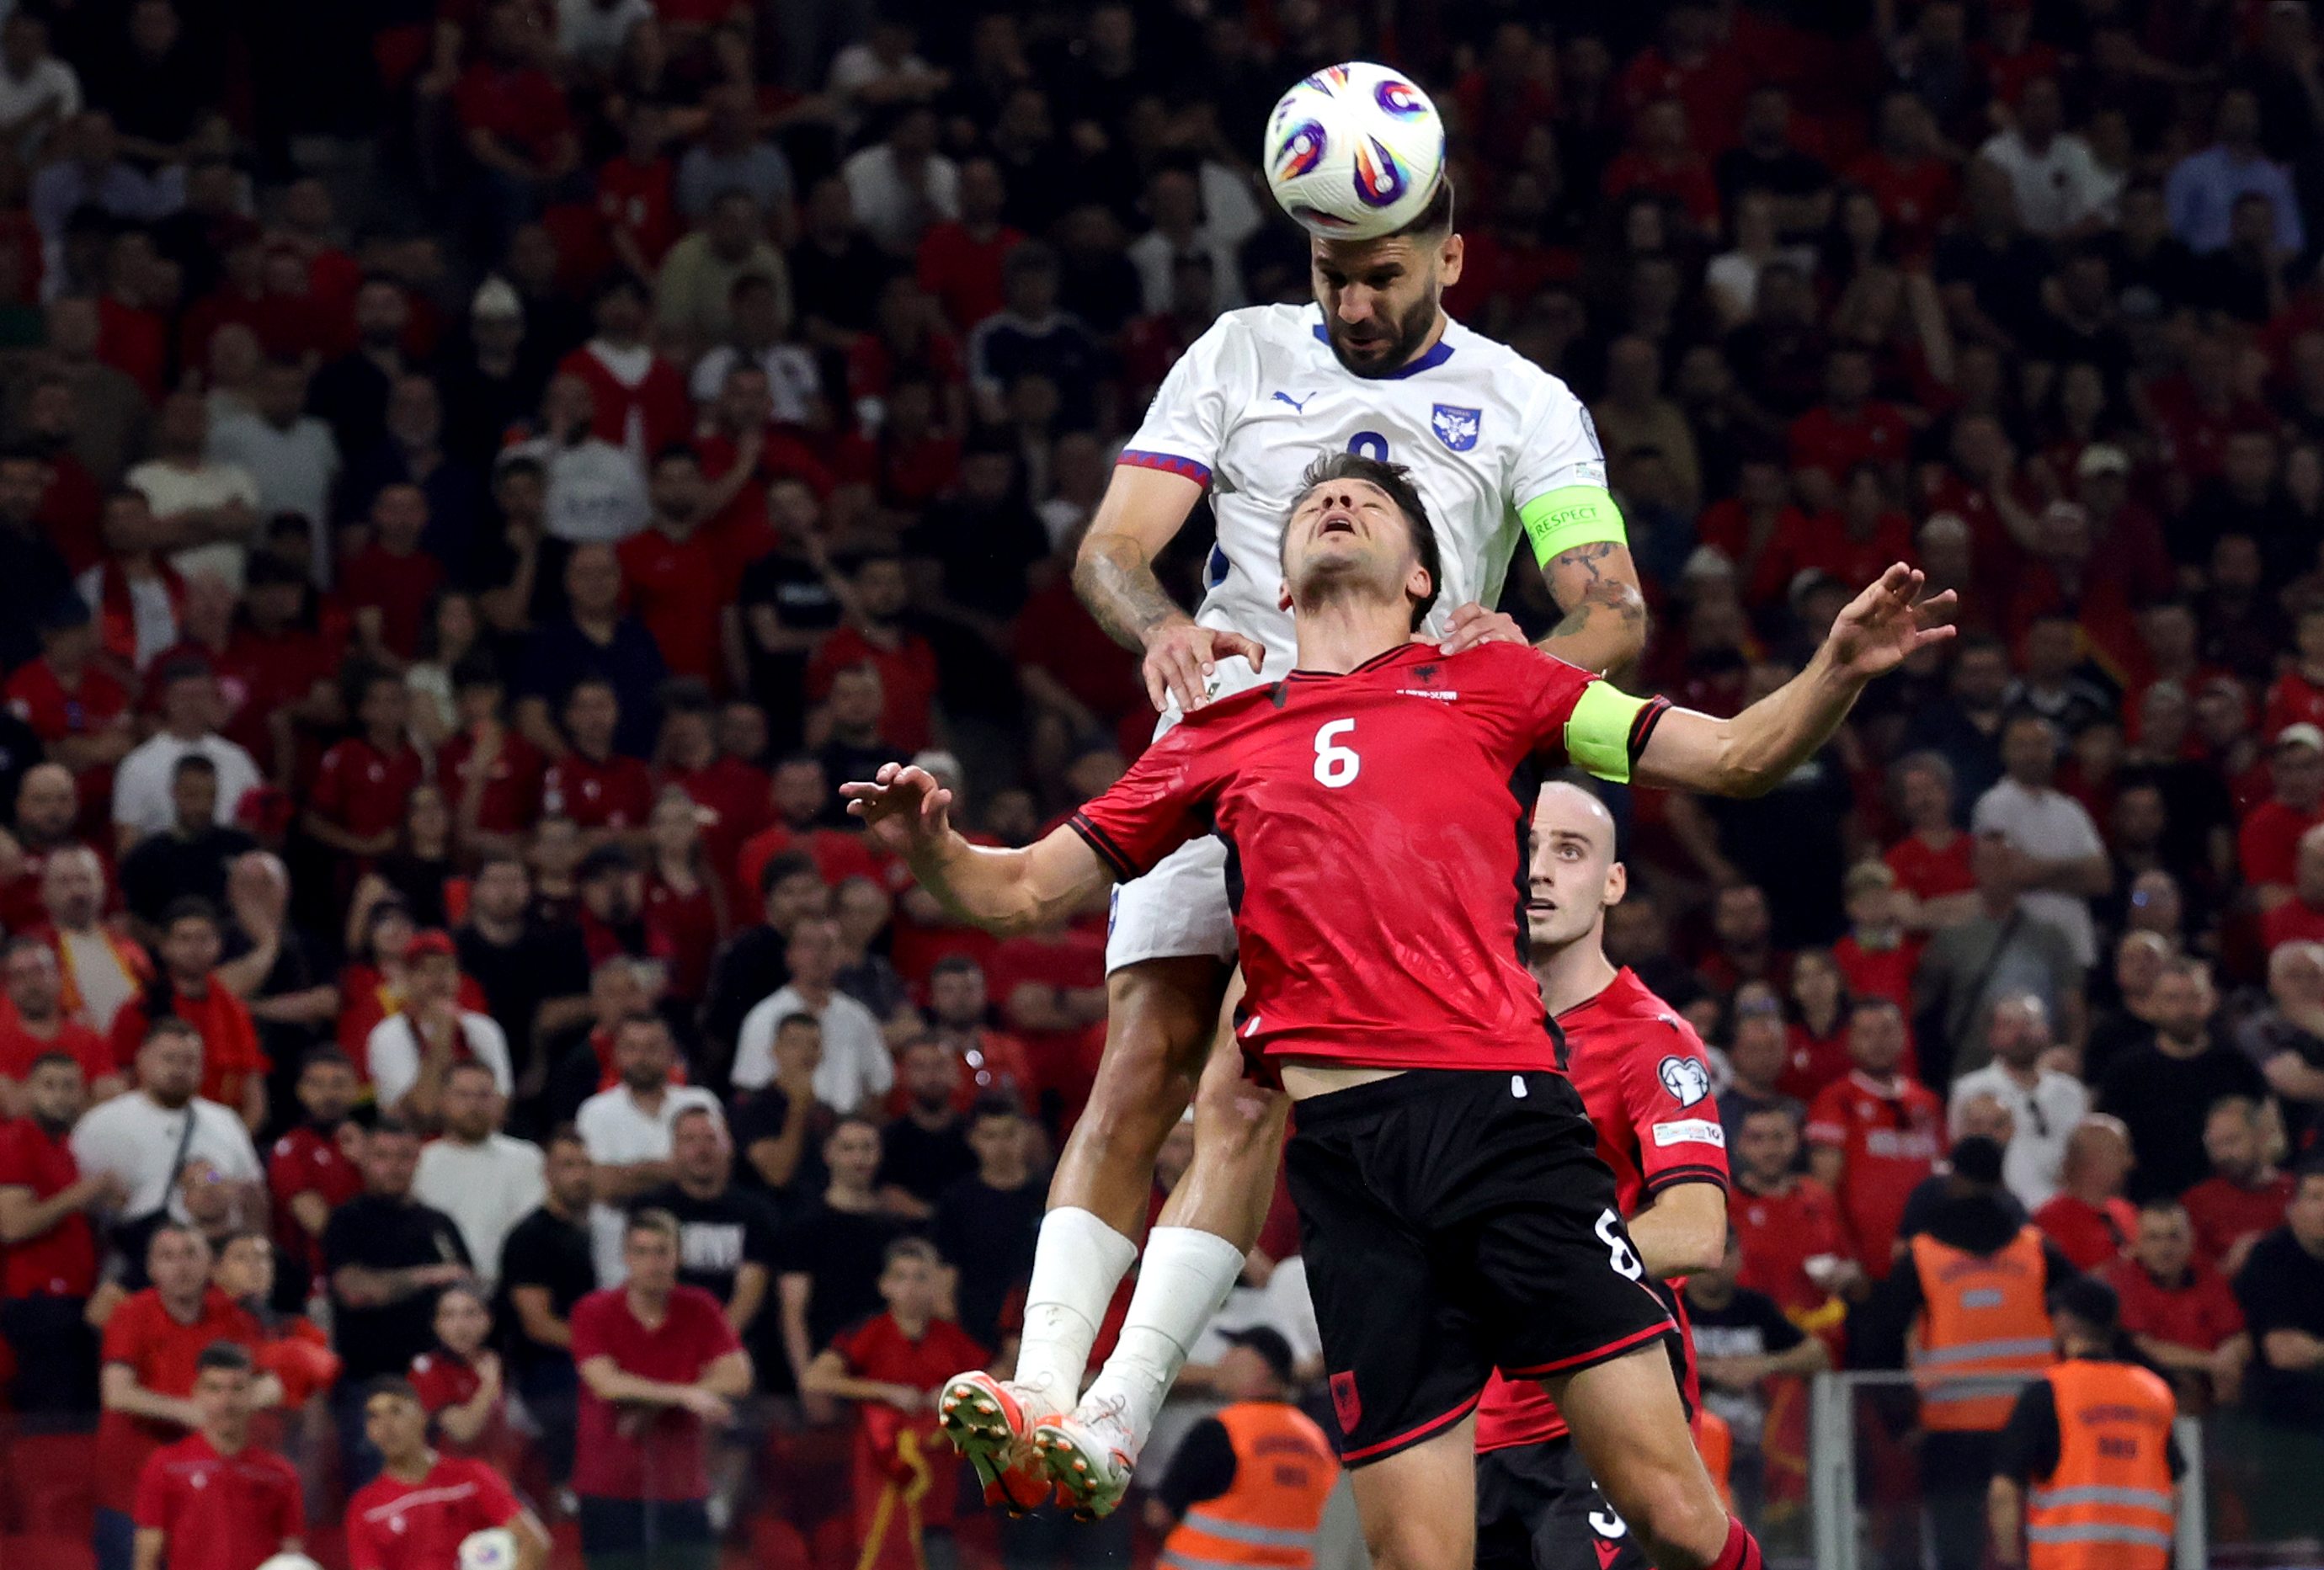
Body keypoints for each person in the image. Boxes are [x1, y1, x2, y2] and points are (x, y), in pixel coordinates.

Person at [855, 451, 1948, 1555]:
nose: (1337, 501)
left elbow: (1738, 757)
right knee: (1417, 1556)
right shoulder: (1218, 732)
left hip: (1506, 1133)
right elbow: (1023, 887)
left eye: (1370, 502)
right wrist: (932, 849)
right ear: (1278, 585)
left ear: (1424, 577)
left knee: (1673, 1517)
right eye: (1317, 502)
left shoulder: (1505, 685)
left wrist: (1839, 669)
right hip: (1348, 1173)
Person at [948, 171, 1655, 1505]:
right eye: (1332, 271)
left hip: (1388, 793)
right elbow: (1112, 549)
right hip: (1227, 738)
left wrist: (1527, 657)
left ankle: (1117, 1415)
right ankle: (1039, 1389)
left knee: (1243, 1090)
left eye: (1383, 274)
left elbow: (1610, 605)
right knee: (1137, 1062)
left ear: (1453, 255)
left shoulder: (1525, 403)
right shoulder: (1238, 351)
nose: (1352, 300)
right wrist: (1155, 622)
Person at [1474, 782, 1733, 1570]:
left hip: (1604, 1421)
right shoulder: (1466, 1036)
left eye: (1570, 851)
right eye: (1526, 849)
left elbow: (1695, 1229)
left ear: (1613, 883)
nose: (1541, 872)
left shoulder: (1649, 1038)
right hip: (1476, 1424)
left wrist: (1535, 1268)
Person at [1871, 1139, 2081, 1570]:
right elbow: (2089, 1315)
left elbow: (1877, 1342)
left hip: (1952, 1429)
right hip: (2035, 1421)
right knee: (2036, 1547)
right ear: (2002, 1181)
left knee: (1957, 1553)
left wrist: (1900, 1422)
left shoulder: (1923, 1255)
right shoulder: (2037, 1249)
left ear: (1954, 1180)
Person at [572, 1208, 754, 1570]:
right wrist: (685, 1395)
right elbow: (605, 1383)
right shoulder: (593, 1311)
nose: (652, 1263)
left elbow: (738, 1376)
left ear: (679, 1256)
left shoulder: (699, 1307)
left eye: (662, 1252)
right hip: (609, 1482)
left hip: (681, 1484)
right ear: (625, 1257)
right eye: (641, 1252)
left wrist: (652, 1403)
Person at [802, 1237, 992, 1570]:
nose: (911, 1287)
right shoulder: (869, 1332)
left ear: (936, 1285)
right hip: (883, 1471)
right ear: (885, 1285)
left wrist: (953, 1392)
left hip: (938, 1481)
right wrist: (885, 1391)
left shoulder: (951, 1338)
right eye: (901, 1277)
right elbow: (815, 1378)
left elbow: (992, 1384)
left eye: (921, 1277)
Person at [94, 1224, 269, 1570]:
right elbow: (116, 1393)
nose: (181, 1267)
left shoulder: (235, 1320)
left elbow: (270, 1384)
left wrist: (231, 1405)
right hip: (131, 1493)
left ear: (210, 1266)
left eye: (191, 1254)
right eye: (167, 1256)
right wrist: (190, 1412)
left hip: (208, 1493)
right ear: (151, 1269)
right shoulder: (132, 1314)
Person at [1987, 1277, 2183, 1570]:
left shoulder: (2048, 1392)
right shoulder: (2155, 1393)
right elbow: (2175, 1490)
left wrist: (2008, 1559)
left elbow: (2004, 1491)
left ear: (2065, 1321)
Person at [323, 1120, 474, 1477]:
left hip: (440, 1385)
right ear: (363, 1159)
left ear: (418, 1159)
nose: (393, 1166)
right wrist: (428, 1275)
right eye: (382, 1156)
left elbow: (465, 1288)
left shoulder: (439, 1224)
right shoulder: (348, 1220)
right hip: (372, 1384)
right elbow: (355, 1290)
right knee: (378, 1494)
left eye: (404, 1156)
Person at [1142, 1323, 1339, 1569]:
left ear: (1261, 1370)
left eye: (1234, 1352)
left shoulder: (1222, 1431)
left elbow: (1158, 1514)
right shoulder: (1316, 1440)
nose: (1223, 1361)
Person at [72, 1018, 263, 1262]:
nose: (179, 1069)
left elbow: (251, 1193)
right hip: (137, 1258)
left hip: (217, 1257)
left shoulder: (225, 1122)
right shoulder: (100, 1125)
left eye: (189, 1061)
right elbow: (79, 1201)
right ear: (142, 1060)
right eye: (169, 1059)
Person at [1679, 1233, 1830, 1527]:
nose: (1711, 1264)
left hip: (1747, 1449)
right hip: (1688, 1448)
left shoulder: (1755, 1307)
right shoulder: (1670, 1306)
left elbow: (1818, 1355)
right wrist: (1709, 1370)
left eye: (1722, 1253)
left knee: (1747, 1535)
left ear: (1738, 1259)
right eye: (1703, 1253)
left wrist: (1764, 1364)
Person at [0, 1051, 120, 1413]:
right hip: (38, 1302)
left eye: (69, 1087)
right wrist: (82, 1193)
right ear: (27, 1090)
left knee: (80, 1419)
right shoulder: (14, 1141)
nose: (59, 1095)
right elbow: (11, 1225)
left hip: (78, 1299)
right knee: (53, 1423)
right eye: (48, 1085)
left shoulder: (72, 1146)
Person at [573, 1011, 723, 1283]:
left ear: (670, 1052)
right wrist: (679, 1169)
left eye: (652, 1047)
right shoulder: (595, 1111)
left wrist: (631, 1174)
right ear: (617, 1053)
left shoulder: (701, 1102)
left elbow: (719, 1170)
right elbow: (603, 1185)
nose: (641, 1057)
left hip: (693, 1257)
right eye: (632, 1047)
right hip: (618, 1263)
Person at [2097, 960, 2264, 1202]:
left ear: (2212, 1000)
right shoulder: (2125, 1073)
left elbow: (2265, 1138)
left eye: (2194, 997)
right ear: (2153, 1004)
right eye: (2172, 998)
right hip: (2149, 1206)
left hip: (2226, 1204)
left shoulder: (2237, 1066)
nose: (2184, 1009)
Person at [345, 1376, 551, 1570]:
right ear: (368, 1432)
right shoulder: (365, 1508)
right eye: (374, 1417)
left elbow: (534, 1542)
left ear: (422, 1417)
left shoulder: (472, 1477)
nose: (386, 1427)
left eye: (396, 1411)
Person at [130, 1343, 303, 1570]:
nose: (225, 1402)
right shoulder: (166, 1465)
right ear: (197, 1393)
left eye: (237, 1389)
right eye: (214, 1389)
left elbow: (292, 1557)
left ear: (251, 1394)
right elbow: (147, 1553)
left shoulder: (279, 1474)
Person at [1806, 997, 1947, 1279]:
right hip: (1864, 1265)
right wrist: (1840, 1255)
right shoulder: (1837, 1099)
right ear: (1850, 1041)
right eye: (1867, 1033)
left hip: (1929, 1260)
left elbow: (1942, 1176)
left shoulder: (1927, 1102)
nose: (1878, 1042)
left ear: (1904, 1035)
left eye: (1887, 1031)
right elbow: (1823, 1189)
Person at [497, 1126, 596, 1485]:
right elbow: (538, 1323)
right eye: (568, 1165)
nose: (580, 1175)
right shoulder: (531, 1237)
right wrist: (602, 1350)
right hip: (546, 1373)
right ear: (547, 1173)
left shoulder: (595, 1230)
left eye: (586, 1165)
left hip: (585, 1365)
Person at [634, 1103, 781, 1343]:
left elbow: (749, 1293)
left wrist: (710, 1346)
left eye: (711, 1139)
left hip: (734, 1346)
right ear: (674, 1149)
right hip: (664, 1339)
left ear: (729, 1147)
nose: (702, 1149)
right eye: (690, 1140)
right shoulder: (649, 1209)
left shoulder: (756, 1211)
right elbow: (646, 1283)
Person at [733, 914, 892, 1112]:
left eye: (827, 946)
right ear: (789, 956)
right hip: (787, 1128)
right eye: (807, 945)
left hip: (844, 1128)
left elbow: (880, 1084)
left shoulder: (858, 1016)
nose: (818, 954)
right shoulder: (764, 1018)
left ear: (839, 955)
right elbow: (750, 1088)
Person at [412, 1059, 545, 1291]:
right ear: (444, 1100)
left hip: (512, 1289)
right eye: (463, 1095)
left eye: (483, 1095)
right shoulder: (421, 1162)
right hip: (440, 1293)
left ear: (498, 1100)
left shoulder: (527, 1158)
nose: (474, 1105)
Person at [1948, 993, 2089, 1211]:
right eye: (2008, 1024)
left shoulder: (2072, 1093)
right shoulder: (1969, 1089)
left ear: (2048, 1031)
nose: (2020, 1033)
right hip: (1996, 1213)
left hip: (2061, 1214)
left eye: (2030, 1023)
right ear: (1992, 1036)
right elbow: (1958, 1154)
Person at [2103, 1200, 2248, 1410]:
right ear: (2137, 1243)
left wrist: (2229, 1356)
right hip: (2149, 1388)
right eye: (2154, 1238)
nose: (2165, 1248)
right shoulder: (2121, 1281)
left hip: (2212, 1381)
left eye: (2174, 1237)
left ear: (2191, 1240)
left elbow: (2238, 1335)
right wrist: (2213, 1363)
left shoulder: (2206, 1273)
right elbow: (2144, 1347)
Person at [365, 929, 516, 1122]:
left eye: (445, 968)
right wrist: (440, 1043)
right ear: (408, 979)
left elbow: (500, 1107)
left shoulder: (483, 1029)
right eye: (426, 970)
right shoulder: (388, 1034)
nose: (438, 979)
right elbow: (420, 1112)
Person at [933, 1097, 1043, 1349]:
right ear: (973, 1139)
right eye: (990, 1136)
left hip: (1038, 1328)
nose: (1001, 1145)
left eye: (1009, 1134)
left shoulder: (1050, 1196)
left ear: (1026, 1134)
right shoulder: (956, 1201)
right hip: (976, 1333)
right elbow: (945, 1280)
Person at [2233, 1156, 2324, 1430]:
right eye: (2316, 1198)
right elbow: (2284, 1352)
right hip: (2282, 1402)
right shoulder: (2270, 1258)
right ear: (2293, 1209)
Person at [2178, 1095, 2294, 1275]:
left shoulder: (2296, 1193)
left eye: (2232, 1141)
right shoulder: (2196, 1201)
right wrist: (2228, 1267)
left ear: (2260, 1135)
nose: (2224, 1154)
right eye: (2215, 1145)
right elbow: (2188, 1279)